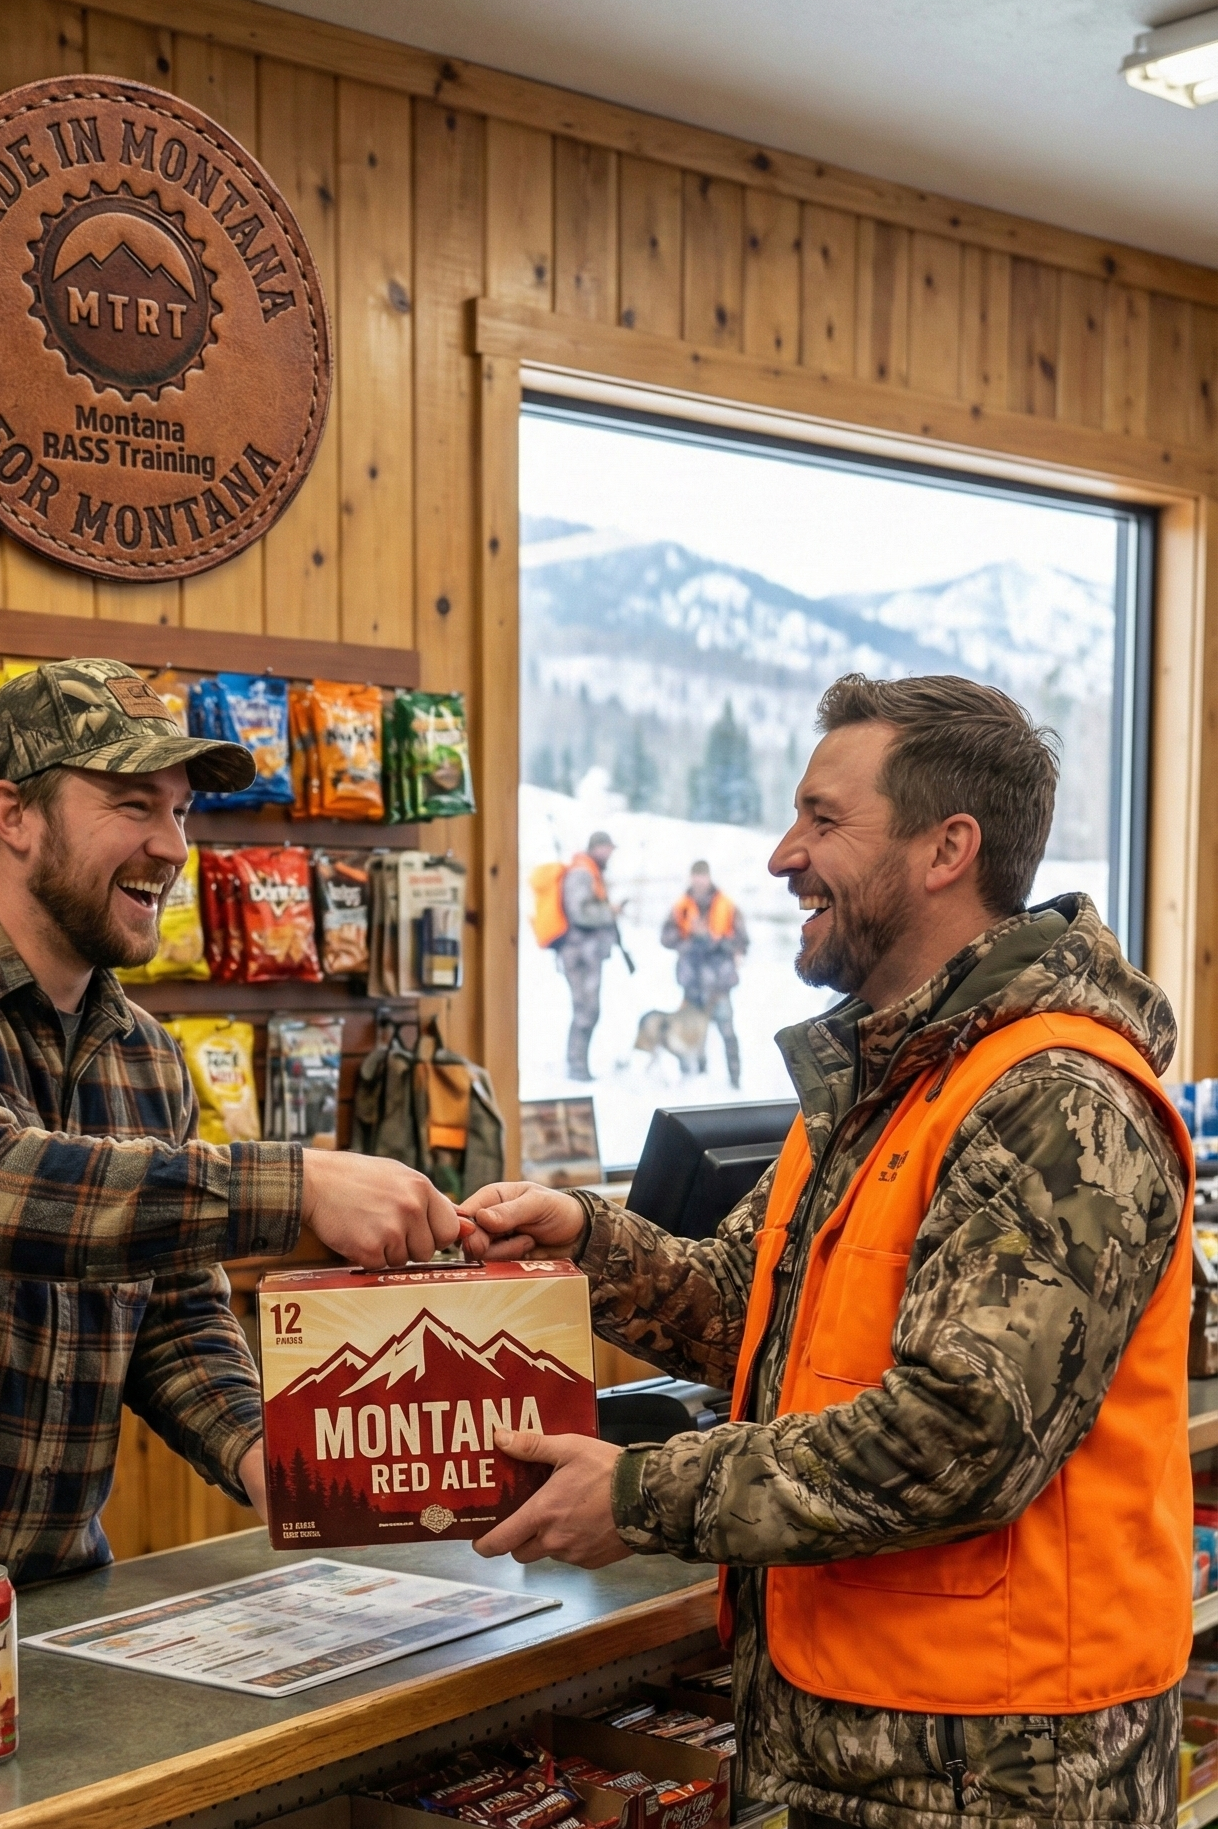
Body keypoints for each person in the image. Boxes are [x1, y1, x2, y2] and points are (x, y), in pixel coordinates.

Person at [462, 672, 1192, 1829]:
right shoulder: (881, 1084)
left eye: (823, 819)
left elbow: (964, 1435)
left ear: (948, 846)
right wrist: (584, 1242)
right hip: (859, 1744)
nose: (781, 855)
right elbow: (748, 1309)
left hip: (1004, 1777)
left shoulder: (1053, 1097)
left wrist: (647, 1494)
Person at [0, 659, 461, 1583]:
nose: (172, 847)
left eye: (181, 811)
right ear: (13, 815)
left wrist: (269, 1462)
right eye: (132, 805)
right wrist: (304, 1183)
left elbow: (173, 1314)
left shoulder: (146, 1056)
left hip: (46, 1596)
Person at [659, 859, 748, 1087]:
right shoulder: (681, 907)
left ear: (709, 877)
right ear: (691, 877)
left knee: (727, 1032)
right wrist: (689, 940)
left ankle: (735, 1082)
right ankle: (694, 1078)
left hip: (719, 984)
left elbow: (743, 942)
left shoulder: (727, 906)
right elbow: (666, 938)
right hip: (691, 982)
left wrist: (714, 940)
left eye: (703, 875)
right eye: (695, 876)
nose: (699, 880)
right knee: (690, 1032)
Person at [555, 831, 622, 1081]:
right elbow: (580, 912)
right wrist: (609, 912)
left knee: (588, 1010)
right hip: (580, 954)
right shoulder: (582, 873)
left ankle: (579, 1066)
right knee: (585, 1010)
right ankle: (576, 1067)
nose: (609, 855)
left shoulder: (592, 872)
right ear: (596, 848)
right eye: (606, 849)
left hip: (588, 954)